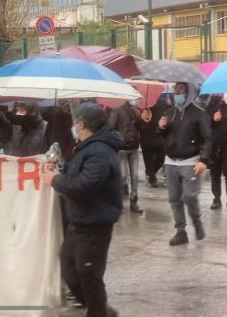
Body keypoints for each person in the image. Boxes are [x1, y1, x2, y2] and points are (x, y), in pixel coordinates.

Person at [42, 102, 121, 317]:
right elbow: (77, 173)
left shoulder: (99, 151)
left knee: (88, 273)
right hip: (79, 219)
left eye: (75, 123)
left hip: (94, 222)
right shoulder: (87, 146)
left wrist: (56, 180)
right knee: (69, 266)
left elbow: (85, 185)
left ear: (81, 123)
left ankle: (98, 312)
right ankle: (100, 309)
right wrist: (60, 167)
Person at [157, 82, 211, 246]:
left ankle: (197, 222)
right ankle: (181, 232)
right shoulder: (169, 112)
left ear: (188, 92)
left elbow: (208, 138)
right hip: (171, 161)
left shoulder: (199, 113)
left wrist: (204, 160)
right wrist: (161, 127)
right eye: (175, 89)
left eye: (180, 89)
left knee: (189, 196)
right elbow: (162, 134)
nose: (176, 92)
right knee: (174, 199)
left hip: (190, 162)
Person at [109, 98, 144, 213]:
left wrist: (140, 118)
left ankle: (134, 201)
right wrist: (118, 139)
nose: (136, 100)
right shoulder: (117, 110)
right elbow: (111, 128)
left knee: (135, 176)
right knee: (123, 176)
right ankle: (118, 199)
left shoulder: (137, 111)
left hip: (134, 147)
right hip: (122, 148)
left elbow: (141, 128)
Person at [206, 95, 227, 211]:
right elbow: (203, 128)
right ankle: (216, 199)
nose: (217, 94)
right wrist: (213, 120)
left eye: (219, 92)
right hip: (213, 147)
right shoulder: (206, 109)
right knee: (214, 174)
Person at [138, 99, 167, 187]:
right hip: (146, 137)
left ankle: (150, 173)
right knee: (148, 160)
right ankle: (152, 179)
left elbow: (167, 115)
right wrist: (141, 117)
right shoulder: (142, 104)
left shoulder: (162, 102)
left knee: (161, 158)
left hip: (159, 137)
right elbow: (137, 123)